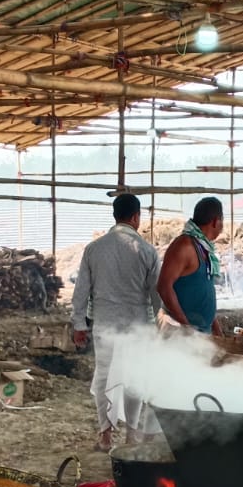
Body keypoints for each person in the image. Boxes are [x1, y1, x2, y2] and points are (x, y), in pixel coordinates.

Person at [71, 191, 163, 450]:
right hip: (137, 327)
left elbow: (81, 291)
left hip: (105, 325)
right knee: (133, 379)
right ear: (136, 217)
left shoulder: (94, 249)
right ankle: (132, 435)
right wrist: (160, 326)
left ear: (115, 216)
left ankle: (105, 435)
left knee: (103, 378)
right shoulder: (147, 250)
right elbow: (157, 295)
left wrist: (79, 324)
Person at [157, 197, 223, 334]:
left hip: (200, 333)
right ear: (216, 221)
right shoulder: (185, 246)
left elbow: (202, 291)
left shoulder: (204, 248)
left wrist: (216, 328)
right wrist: (186, 327)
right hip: (179, 333)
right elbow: (163, 286)